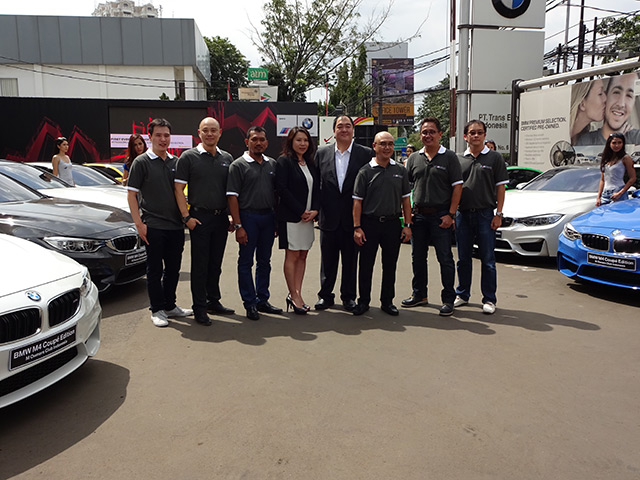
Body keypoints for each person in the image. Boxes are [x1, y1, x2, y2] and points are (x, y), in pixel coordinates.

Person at [126, 118, 193, 327]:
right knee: (154, 270)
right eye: (158, 135)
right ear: (150, 137)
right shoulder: (141, 162)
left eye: (166, 135)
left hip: (175, 226)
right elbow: (131, 195)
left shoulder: (176, 162)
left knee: (173, 269)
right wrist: (139, 224)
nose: (163, 139)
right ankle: (157, 309)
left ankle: (170, 305)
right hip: (153, 226)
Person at [174, 117, 235, 327]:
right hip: (199, 218)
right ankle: (199, 307)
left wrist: (231, 216)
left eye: (213, 130)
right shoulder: (188, 157)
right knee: (200, 265)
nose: (210, 134)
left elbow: (230, 191)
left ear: (220, 132)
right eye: (205, 130)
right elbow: (178, 189)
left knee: (215, 264)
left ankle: (213, 301)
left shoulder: (226, 158)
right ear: (199, 132)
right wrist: (186, 217)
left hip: (220, 218)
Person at [401, 117, 462, 316]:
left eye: (432, 132)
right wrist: (407, 216)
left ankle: (448, 299)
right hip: (418, 216)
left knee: (445, 258)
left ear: (440, 134)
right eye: (424, 132)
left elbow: (457, 187)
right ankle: (419, 295)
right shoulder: (414, 158)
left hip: (441, 216)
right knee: (417, 258)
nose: (428, 135)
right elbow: (405, 189)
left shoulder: (449, 157)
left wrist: (451, 214)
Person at [314, 115, 374, 311]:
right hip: (328, 217)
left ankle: (348, 297)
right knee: (327, 260)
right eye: (340, 126)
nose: (344, 129)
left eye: (348, 126)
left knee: (350, 260)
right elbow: (316, 185)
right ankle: (325, 296)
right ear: (334, 131)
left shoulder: (365, 154)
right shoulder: (321, 153)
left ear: (353, 130)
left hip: (353, 219)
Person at [352, 131, 412, 316]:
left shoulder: (400, 170)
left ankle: (387, 301)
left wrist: (407, 225)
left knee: (390, 265)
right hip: (369, 224)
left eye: (390, 144)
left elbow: (406, 200)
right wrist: (357, 227)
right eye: (383, 144)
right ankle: (363, 301)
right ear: (374, 146)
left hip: (392, 224)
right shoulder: (365, 171)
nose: (387, 147)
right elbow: (357, 202)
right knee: (366, 265)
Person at [227, 126, 283, 321]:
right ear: (247, 142)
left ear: (266, 142)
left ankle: (262, 300)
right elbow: (232, 197)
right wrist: (238, 226)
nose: (258, 143)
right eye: (254, 139)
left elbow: (277, 195)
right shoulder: (238, 166)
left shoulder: (272, 164)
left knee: (265, 261)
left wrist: (276, 222)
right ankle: (249, 303)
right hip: (248, 218)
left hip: (268, 218)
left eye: (261, 139)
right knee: (245, 262)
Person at [454, 120, 509, 315]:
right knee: (463, 259)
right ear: (465, 136)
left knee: (487, 259)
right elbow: (454, 188)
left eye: (479, 132)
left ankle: (489, 299)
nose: (475, 136)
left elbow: (501, 188)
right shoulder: (458, 159)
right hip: (462, 214)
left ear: (485, 135)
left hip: (486, 214)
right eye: (472, 133)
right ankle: (462, 294)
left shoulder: (494, 158)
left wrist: (498, 214)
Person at [275, 127, 320, 315]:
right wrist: (300, 211)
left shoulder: (310, 163)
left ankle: (298, 293)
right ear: (291, 142)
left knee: (303, 255)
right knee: (292, 255)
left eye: (306, 140)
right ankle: (293, 295)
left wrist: (315, 210)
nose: (303, 144)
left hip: (308, 219)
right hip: (292, 218)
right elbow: (282, 189)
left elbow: (317, 189)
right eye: (298, 140)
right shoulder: (284, 161)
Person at [576, 73, 640, 146]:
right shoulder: (586, 141)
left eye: (629, 95)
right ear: (606, 96)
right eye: (616, 92)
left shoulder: (637, 138)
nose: (621, 104)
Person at [595, 132, 636, 206]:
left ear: (623, 144)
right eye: (614, 143)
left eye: (619, 143)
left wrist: (620, 193)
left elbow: (633, 178)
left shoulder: (625, 158)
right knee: (603, 213)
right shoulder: (606, 159)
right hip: (605, 193)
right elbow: (602, 180)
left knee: (618, 212)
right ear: (609, 144)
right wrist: (598, 197)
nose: (617, 145)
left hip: (619, 191)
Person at [569, 79, 605, 145]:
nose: (605, 99)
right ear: (582, 104)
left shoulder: (585, 138)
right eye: (600, 94)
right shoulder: (559, 131)